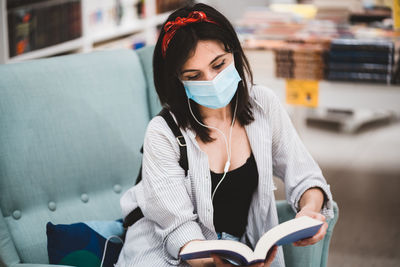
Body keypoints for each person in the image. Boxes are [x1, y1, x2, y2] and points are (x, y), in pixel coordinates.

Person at [116, 3, 334, 267]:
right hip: (165, 252)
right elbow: (180, 234)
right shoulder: (162, 133)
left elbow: (305, 175)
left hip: (232, 250)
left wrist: (309, 210)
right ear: (178, 81)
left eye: (218, 65)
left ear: (234, 52)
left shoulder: (262, 105)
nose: (210, 81)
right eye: (193, 76)